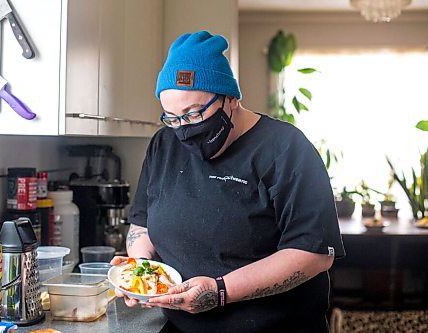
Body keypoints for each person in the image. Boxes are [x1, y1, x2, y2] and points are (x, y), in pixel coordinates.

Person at [111, 30, 345, 333]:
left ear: (230, 99)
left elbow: (313, 253)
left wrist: (220, 291)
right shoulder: (163, 145)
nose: (183, 130)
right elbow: (142, 225)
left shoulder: (286, 149)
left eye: (194, 114)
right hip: (182, 327)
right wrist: (140, 274)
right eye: (172, 117)